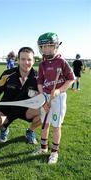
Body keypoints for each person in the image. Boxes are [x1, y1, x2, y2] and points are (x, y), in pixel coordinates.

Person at [33, 32, 75, 164]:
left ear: (55, 46)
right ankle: (43, 148)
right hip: (45, 97)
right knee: (45, 124)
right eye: (43, 47)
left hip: (58, 98)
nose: (45, 49)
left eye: (48, 46)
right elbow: (40, 82)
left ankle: (54, 152)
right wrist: (42, 98)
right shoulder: (42, 64)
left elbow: (71, 79)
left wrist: (59, 90)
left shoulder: (62, 61)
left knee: (56, 126)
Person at [0, 47, 41, 144]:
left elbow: (43, 95)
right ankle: (4, 128)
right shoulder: (7, 74)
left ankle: (30, 131)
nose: (26, 62)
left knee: (46, 112)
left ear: (33, 61)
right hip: (6, 109)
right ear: (18, 60)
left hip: (26, 110)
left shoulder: (39, 77)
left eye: (29, 59)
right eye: (23, 59)